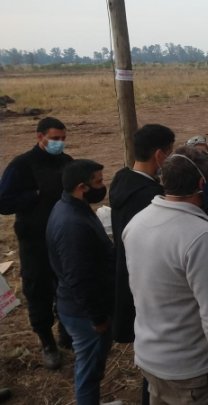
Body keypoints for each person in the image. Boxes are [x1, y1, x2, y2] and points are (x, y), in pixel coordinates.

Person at [123, 146, 208, 404]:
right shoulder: (202, 238)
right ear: (202, 183)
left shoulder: (136, 223)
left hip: (150, 358)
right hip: (193, 372)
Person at [0, 117, 73, 369]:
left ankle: (67, 333)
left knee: (66, 285)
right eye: (54, 139)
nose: (59, 143)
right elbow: (4, 202)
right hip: (35, 242)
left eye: (63, 139)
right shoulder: (21, 166)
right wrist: (36, 194)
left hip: (63, 239)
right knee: (38, 290)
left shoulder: (66, 162)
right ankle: (47, 343)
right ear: (39, 137)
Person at [109, 124, 174, 405]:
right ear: (159, 155)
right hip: (149, 282)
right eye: (170, 152)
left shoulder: (121, 180)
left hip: (129, 273)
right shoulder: (150, 198)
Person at [46, 159, 114, 405]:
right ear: (81, 187)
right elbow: (79, 277)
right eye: (98, 182)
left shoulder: (72, 207)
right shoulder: (72, 224)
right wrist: (97, 317)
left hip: (78, 308)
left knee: (92, 367)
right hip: (84, 314)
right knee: (89, 371)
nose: (102, 186)